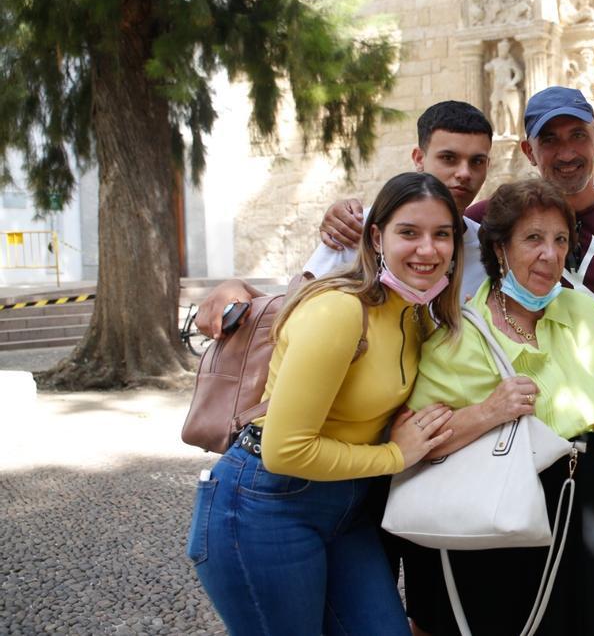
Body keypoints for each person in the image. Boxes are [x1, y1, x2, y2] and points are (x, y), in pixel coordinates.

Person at [185, 173, 463, 635]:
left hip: (346, 507)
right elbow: (285, 450)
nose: (427, 250)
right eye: (409, 233)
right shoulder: (340, 309)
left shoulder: (416, 314)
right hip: (264, 504)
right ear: (377, 238)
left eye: (442, 235)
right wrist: (396, 455)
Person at [404, 178, 594, 635]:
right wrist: (489, 411)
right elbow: (421, 445)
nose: (550, 254)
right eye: (534, 239)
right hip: (506, 521)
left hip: (588, 510)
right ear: (499, 248)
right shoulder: (458, 336)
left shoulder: (581, 310)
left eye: (561, 240)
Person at [193, 99, 494, 337]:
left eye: (476, 162)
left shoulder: (487, 249)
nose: (464, 173)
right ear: (419, 158)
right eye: (449, 158)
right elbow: (294, 312)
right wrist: (240, 290)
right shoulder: (355, 228)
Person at [464, 86, 594, 411]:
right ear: (528, 150)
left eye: (578, 135)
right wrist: (358, 221)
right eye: (549, 140)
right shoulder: (486, 221)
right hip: (518, 424)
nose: (566, 154)